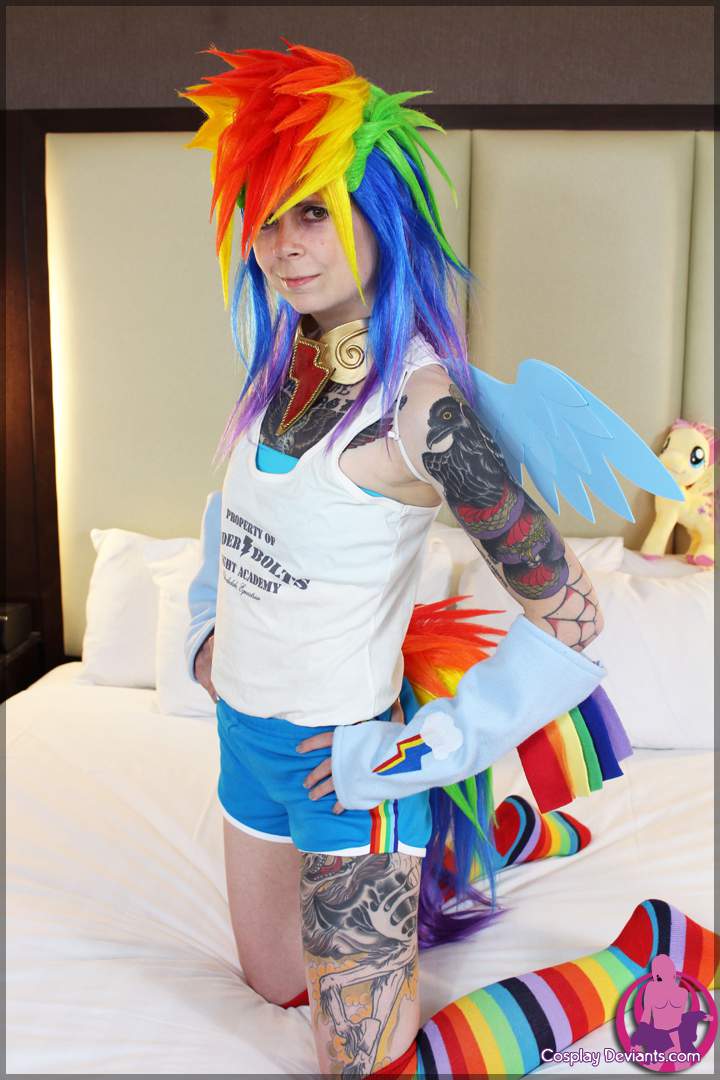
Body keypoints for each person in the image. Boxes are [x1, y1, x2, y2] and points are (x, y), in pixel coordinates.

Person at [180, 43, 717, 1076]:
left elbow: (571, 613)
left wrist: (429, 751)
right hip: (245, 740)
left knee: (373, 1069)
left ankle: (629, 964)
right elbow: (234, 520)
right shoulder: (283, 360)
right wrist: (207, 633)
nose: (284, 247)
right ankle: (497, 835)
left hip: (349, 771)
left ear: (378, 217)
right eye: (266, 214)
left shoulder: (424, 415)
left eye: (314, 211)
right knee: (277, 985)